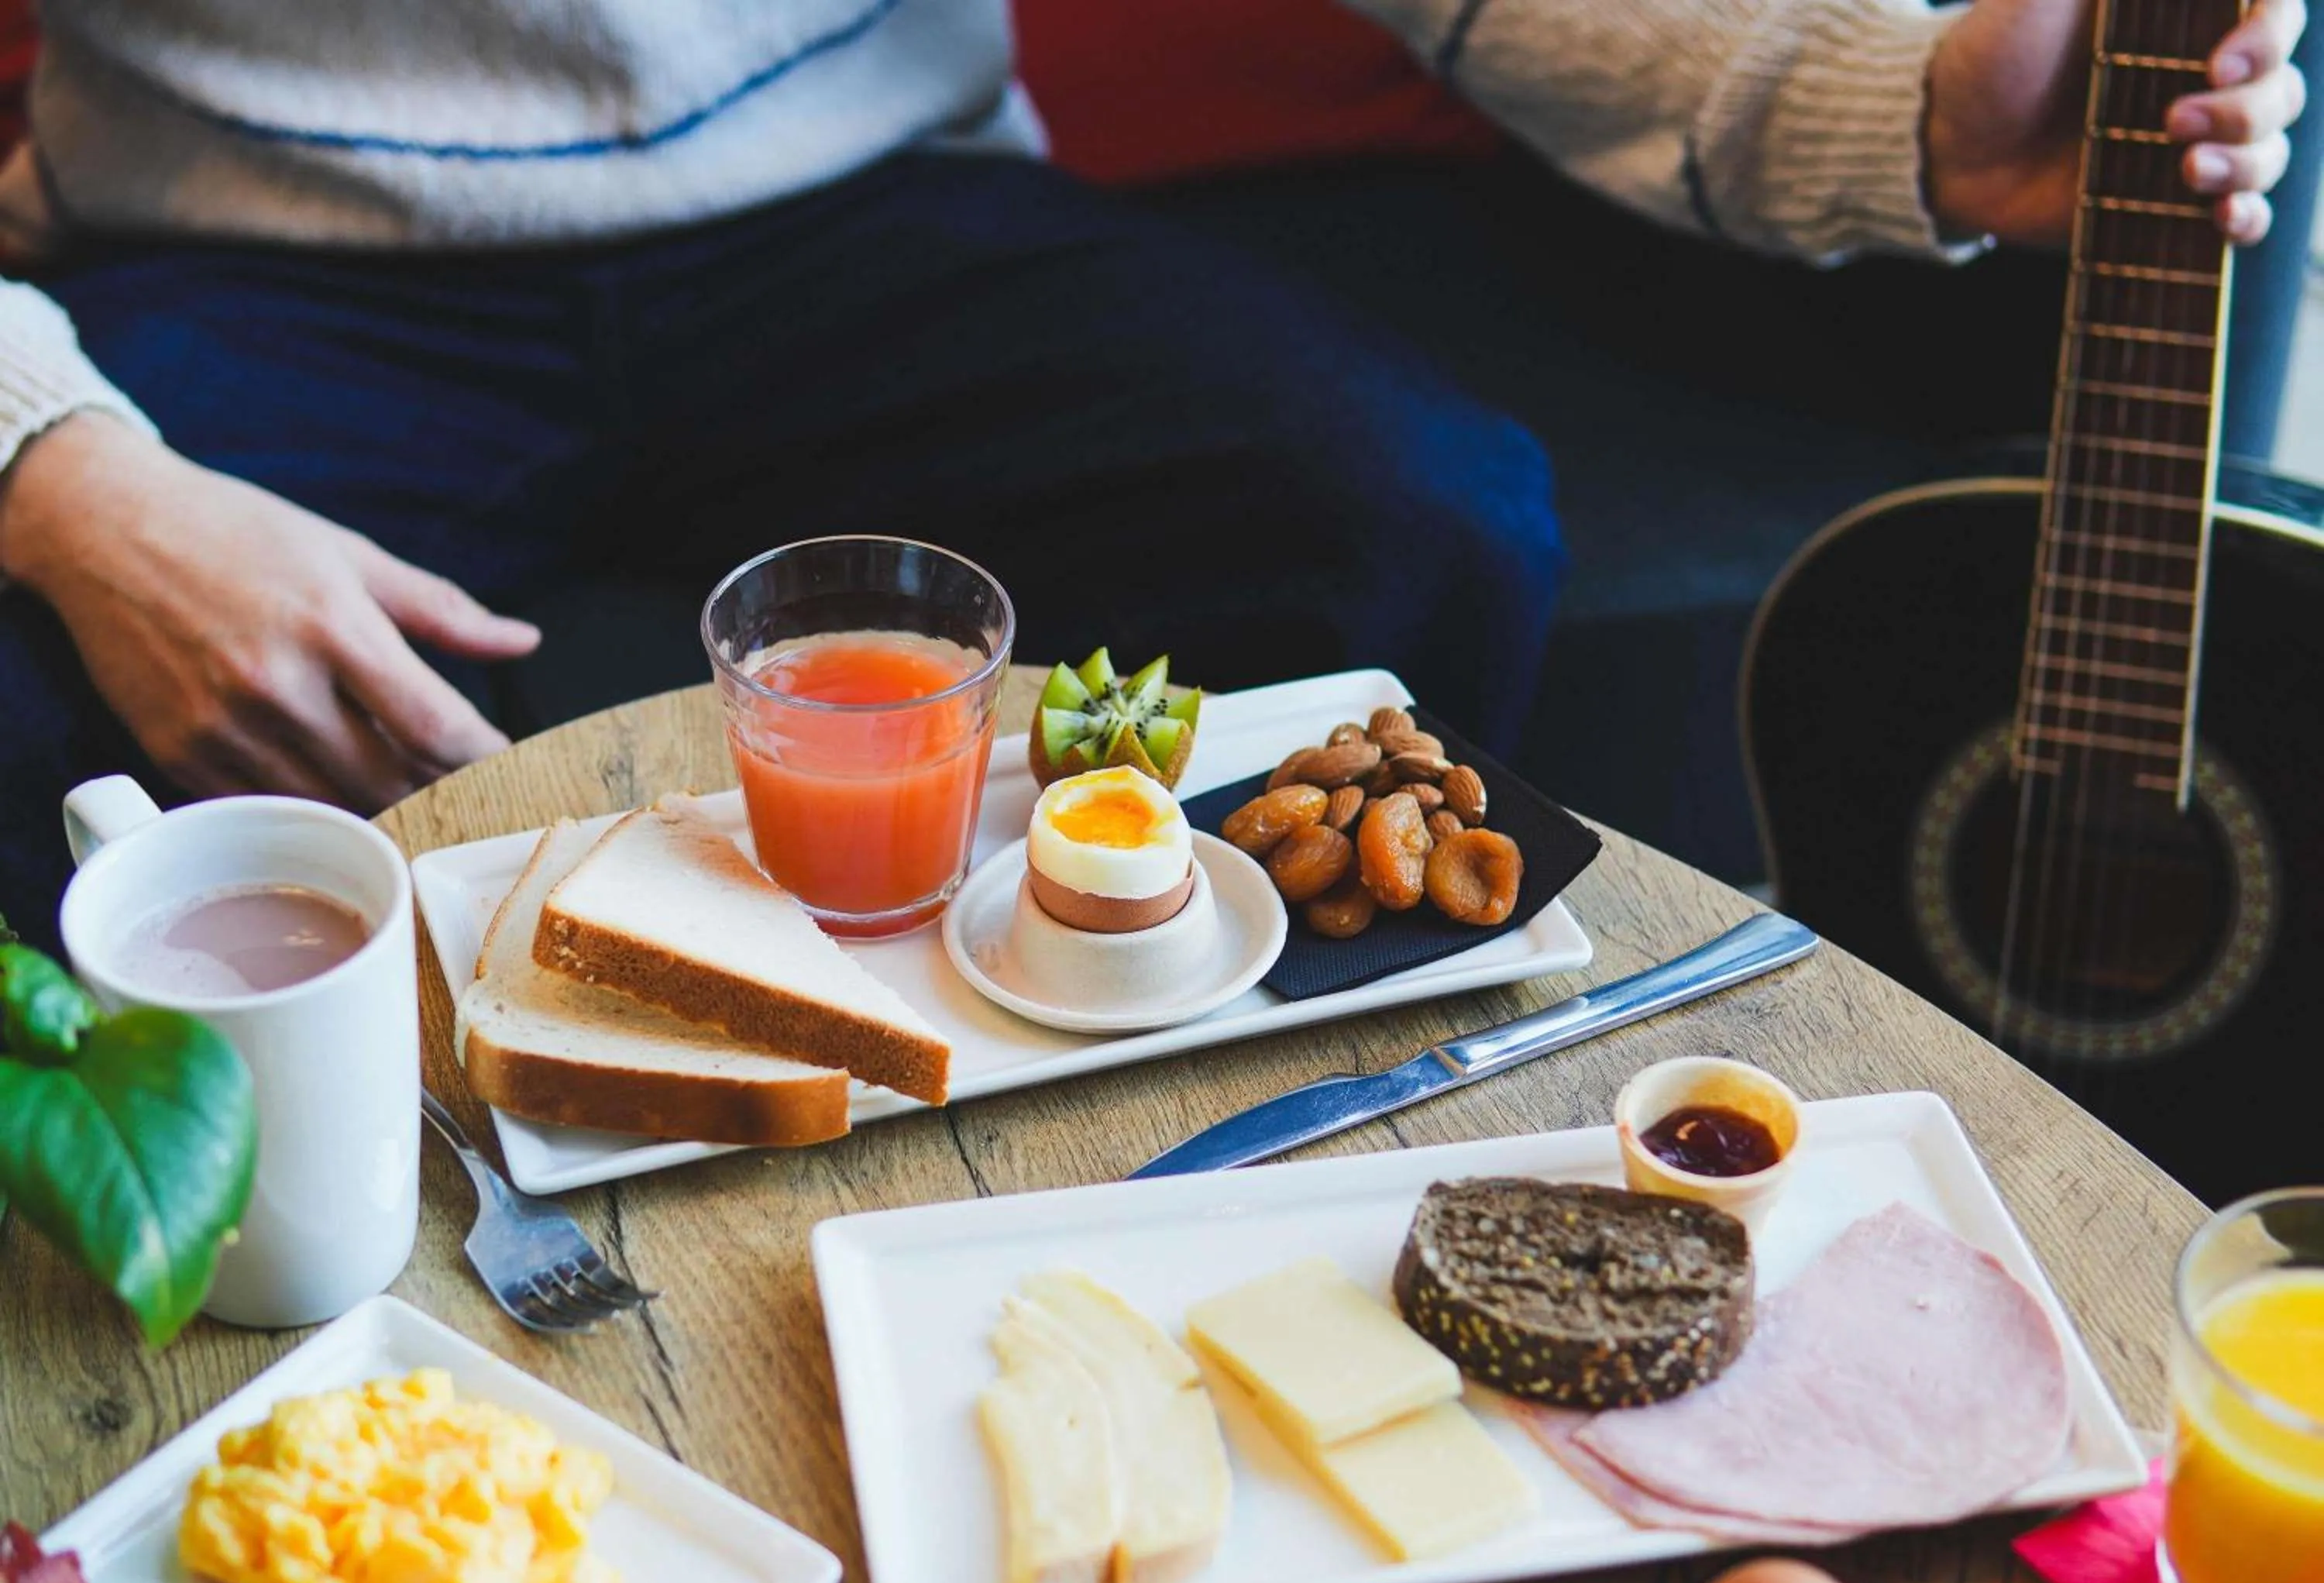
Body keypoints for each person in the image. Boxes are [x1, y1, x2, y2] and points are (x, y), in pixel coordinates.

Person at [0, 0, 2303, 951]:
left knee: (1413, 519)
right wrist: (62, 470)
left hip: (866, 206)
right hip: (242, 253)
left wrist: (1911, 114)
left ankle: (1223, 1156)